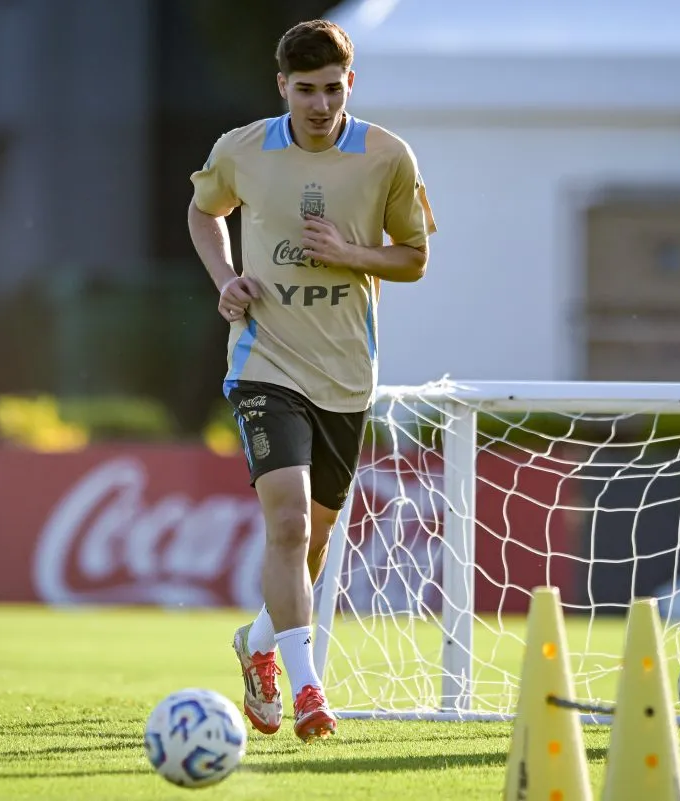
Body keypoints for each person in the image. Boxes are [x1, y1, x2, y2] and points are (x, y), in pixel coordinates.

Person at [187, 18, 436, 742]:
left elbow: (415, 257)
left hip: (345, 374)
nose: (321, 104)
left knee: (316, 536)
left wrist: (352, 251)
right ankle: (306, 690)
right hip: (265, 363)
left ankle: (258, 641)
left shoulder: (388, 156)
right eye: (306, 91)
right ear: (282, 89)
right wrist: (226, 279)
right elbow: (206, 214)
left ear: (349, 84)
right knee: (289, 522)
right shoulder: (241, 149)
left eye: (332, 88)